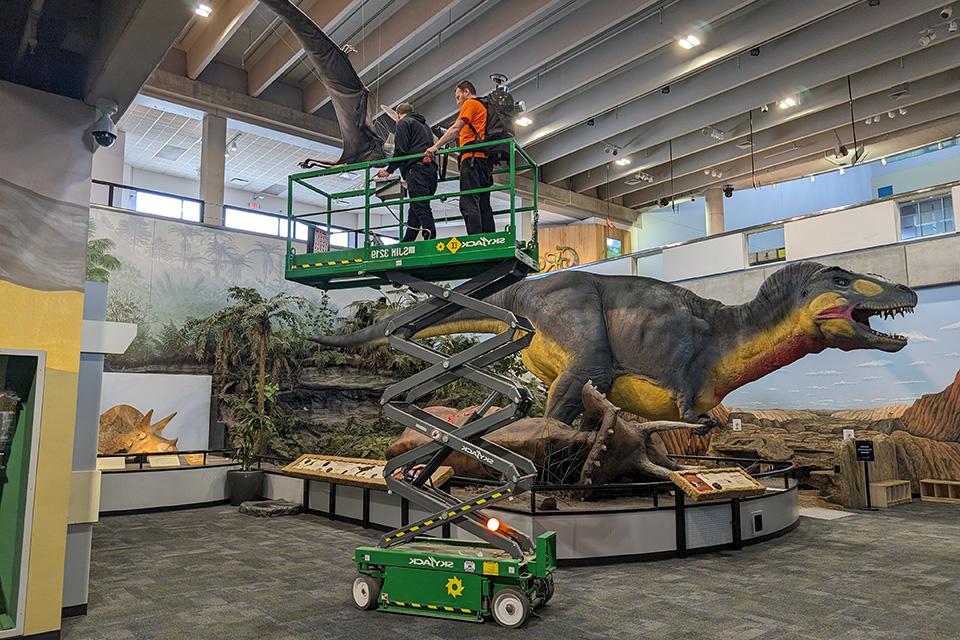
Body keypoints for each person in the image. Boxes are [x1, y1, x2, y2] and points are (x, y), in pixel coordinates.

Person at [425, 80, 494, 235]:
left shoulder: (470, 104)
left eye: (458, 97)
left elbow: (456, 129)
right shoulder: (484, 107)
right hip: (484, 160)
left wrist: (436, 146)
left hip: (472, 159)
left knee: (468, 201)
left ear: (466, 92)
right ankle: (489, 237)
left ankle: (474, 239)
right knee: (483, 202)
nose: (458, 102)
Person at [377, 102, 438, 242]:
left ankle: (430, 238)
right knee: (415, 208)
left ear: (398, 115)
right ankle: (408, 240)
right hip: (431, 171)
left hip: (416, 170)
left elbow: (401, 150)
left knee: (420, 206)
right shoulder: (425, 126)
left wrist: (389, 170)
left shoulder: (403, 123)